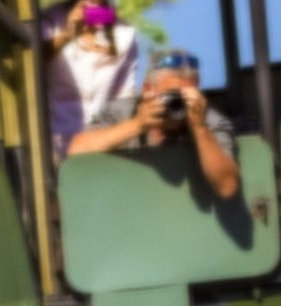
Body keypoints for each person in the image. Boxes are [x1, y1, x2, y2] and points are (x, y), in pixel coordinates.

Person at [66, 50, 243, 201]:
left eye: (186, 97)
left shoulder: (207, 119)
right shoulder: (124, 112)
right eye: (171, 96)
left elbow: (227, 187)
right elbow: (76, 150)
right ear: (147, 90)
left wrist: (199, 128)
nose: (178, 105)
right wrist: (138, 124)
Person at [40, 0, 143, 149]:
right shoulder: (47, 22)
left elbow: (123, 98)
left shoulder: (125, 33)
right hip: (53, 149)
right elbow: (32, 59)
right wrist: (69, 34)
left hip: (101, 149)